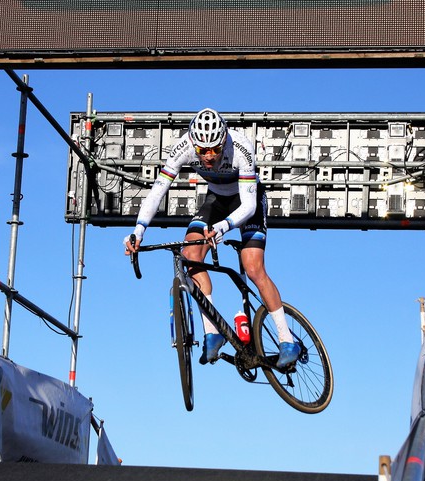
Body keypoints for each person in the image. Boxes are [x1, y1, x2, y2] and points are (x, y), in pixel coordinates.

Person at [124, 108, 300, 368]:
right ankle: (213, 332)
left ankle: (287, 339)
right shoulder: (183, 147)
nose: (208, 156)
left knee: (253, 267)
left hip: (245, 202)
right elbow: (157, 191)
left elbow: (249, 206)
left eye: (214, 150)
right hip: (216, 199)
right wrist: (138, 230)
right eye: (202, 150)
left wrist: (223, 227)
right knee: (190, 255)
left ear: (224, 140)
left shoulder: (241, 147)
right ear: (193, 144)